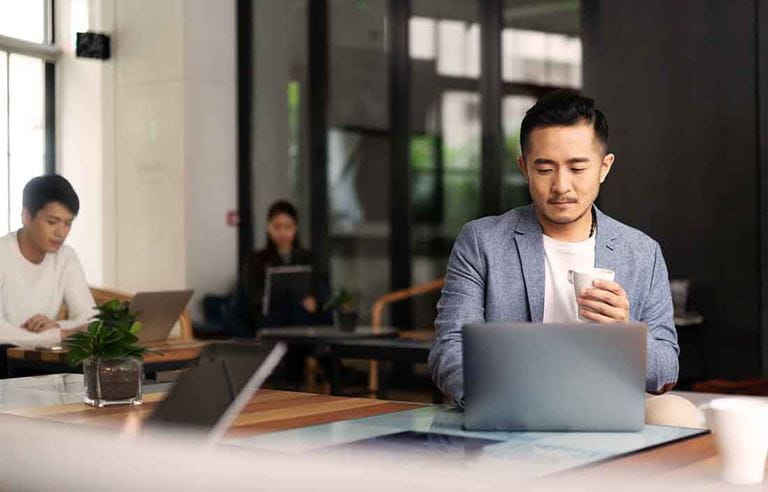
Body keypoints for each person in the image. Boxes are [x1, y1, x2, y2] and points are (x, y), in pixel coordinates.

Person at [429, 91, 686, 422]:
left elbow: (667, 368)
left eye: (577, 167)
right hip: (513, 404)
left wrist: (625, 332)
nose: (561, 186)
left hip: (609, 407)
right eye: (545, 169)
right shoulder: (482, 241)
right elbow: (449, 348)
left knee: (678, 414)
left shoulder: (641, 251)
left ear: (604, 167)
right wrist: (506, 401)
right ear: (524, 168)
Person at [0, 175, 95, 350]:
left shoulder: (66, 256)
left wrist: (57, 327)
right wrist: (56, 337)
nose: (61, 232)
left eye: (68, 223)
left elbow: (90, 318)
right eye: (52, 222)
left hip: (39, 358)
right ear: (27, 216)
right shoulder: (3, 253)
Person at [242, 200, 327, 329]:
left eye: (287, 227)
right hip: (270, 319)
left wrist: (314, 301)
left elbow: (320, 290)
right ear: (268, 228)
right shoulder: (255, 260)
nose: (282, 233)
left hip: (303, 316)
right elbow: (251, 296)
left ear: (295, 228)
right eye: (277, 227)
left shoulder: (309, 259)